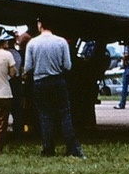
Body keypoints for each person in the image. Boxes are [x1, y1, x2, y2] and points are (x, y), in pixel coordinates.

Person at [25, 18, 84, 158]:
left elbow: (28, 67)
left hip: (40, 81)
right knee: (65, 113)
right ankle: (71, 148)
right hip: (57, 80)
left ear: (39, 25)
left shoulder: (32, 43)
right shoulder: (61, 42)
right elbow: (68, 65)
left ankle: (48, 148)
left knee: (45, 115)